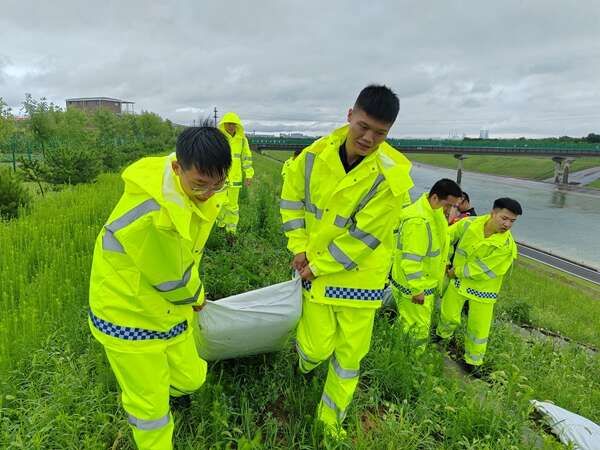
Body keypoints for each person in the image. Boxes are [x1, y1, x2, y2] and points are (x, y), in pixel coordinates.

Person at [279, 84, 413, 438]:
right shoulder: (312, 156)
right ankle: (305, 366)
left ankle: (329, 422)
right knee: (315, 346)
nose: (369, 138)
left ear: (389, 133)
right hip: (314, 271)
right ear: (350, 115)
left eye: (380, 133)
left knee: (349, 357)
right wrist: (297, 246)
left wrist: (318, 265)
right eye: (363, 127)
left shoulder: (392, 177)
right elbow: (292, 203)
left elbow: (365, 238)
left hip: (359, 279)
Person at [88, 123, 231, 450]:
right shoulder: (154, 216)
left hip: (165, 307)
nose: (209, 193)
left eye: (218, 184)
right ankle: (144, 405)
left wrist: (192, 296)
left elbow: (182, 265)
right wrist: (199, 299)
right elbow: (172, 278)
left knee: (191, 377)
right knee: (151, 411)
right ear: (177, 168)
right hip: (127, 311)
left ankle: (150, 387)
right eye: (201, 185)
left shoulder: (185, 187)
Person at [435, 197, 522, 375]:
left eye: (512, 221)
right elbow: (447, 236)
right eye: (504, 218)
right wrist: (446, 257)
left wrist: (455, 271)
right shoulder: (469, 224)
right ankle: (441, 339)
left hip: (483, 291)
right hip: (458, 283)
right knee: (448, 314)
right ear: (493, 213)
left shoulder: (506, 246)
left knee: (478, 329)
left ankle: (473, 363)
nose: (507, 224)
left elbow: (482, 269)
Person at [389, 179, 462, 348]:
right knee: (418, 329)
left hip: (422, 283)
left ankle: (400, 351)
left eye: (454, 207)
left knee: (407, 323)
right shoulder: (419, 222)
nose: (450, 211)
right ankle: (412, 360)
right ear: (435, 198)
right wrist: (417, 289)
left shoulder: (432, 212)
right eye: (448, 205)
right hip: (416, 287)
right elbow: (411, 260)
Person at [216, 112, 254, 235]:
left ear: (237, 125)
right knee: (219, 203)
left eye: (233, 124)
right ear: (224, 124)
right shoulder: (219, 138)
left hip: (235, 178)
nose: (230, 126)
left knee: (232, 206)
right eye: (228, 124)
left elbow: (246, 158)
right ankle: (220, 226)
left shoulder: (242, 140)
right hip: (220, 177)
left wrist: (249, 174)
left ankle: (231, 231)